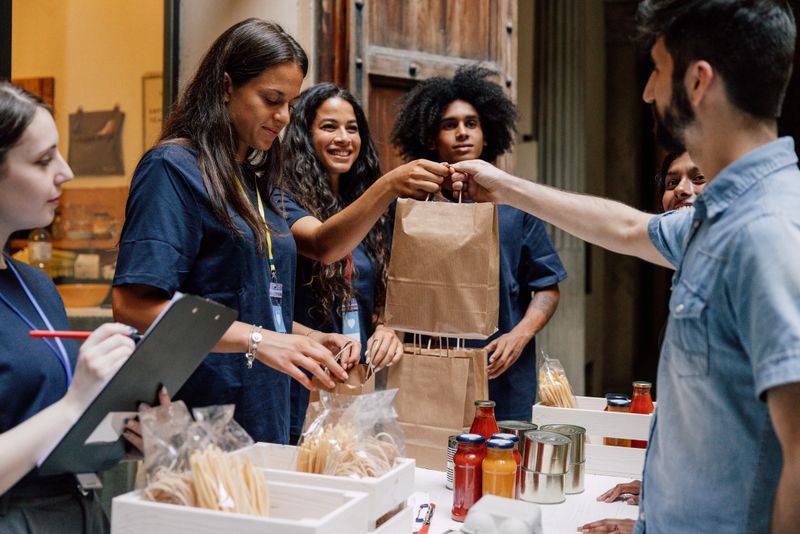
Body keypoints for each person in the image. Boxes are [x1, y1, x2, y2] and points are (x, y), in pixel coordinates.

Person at [452, 1, 800, 532]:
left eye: (657, 70)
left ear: (698, 81)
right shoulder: (717, 216)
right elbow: (628, 230)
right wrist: (504, 186)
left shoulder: (769, 229)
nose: (647, 91)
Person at [112, 20, 447, 445]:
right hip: (202, 416)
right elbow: (134, 305)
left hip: (266, 407)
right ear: (225, 86)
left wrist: (303, 338)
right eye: (272, 100)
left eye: (289, 103)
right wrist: (261, 340)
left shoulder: (256, 183)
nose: (283, 117)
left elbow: (282, 273)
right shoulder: (172, 168)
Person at [391, 66, 567, 422]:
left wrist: (518, 337)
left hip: (501, 373)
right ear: (429, 138)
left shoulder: (516, 206)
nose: (461, 133)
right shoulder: (412, 210)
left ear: (486, 134)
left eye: (471, 123)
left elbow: (547, 287)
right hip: (431, 371)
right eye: (449, 124)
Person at [0, 82, 137, 532]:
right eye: (43, 160)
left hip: (80, 511)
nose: (67, 171)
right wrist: (76, 403)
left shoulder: (36, 285)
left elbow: (51, 423)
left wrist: (118, 427)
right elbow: (62, 410)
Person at [280, 83, 445, 442]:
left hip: (361, 380)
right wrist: (389, 185)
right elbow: (322, 243)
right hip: (304, 379)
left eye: (352, 128)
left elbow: (393, 285)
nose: (343, 138)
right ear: (304, 135)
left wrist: (390, 326)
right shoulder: (281, 198)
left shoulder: (368, 205)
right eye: (328, 127)